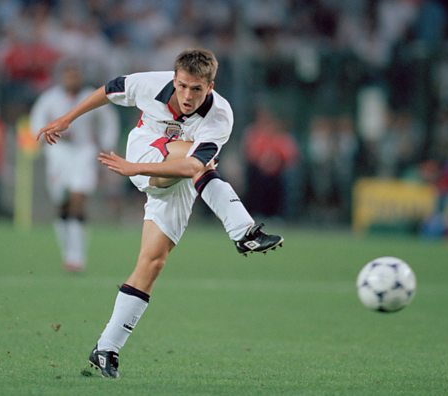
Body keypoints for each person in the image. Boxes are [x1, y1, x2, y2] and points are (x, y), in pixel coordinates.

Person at [38, 48, 283, 378]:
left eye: (196, 89)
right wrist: (68, 118)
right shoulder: (150, 84)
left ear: (210, 87)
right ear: (174, 78)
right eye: (182, 86)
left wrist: (130, 169)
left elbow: (191, 167)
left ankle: (106, 348)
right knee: (199, 160)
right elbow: (110, 90)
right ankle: (243, 231)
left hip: (177, 175)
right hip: (145, 146)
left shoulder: (220, 116)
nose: (187, 95)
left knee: (152, 262)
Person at [30, 62, 120, 272]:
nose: (72, 80)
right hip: (58, 154)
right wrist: (43, 138)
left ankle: (76, 257)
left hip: (84, 153)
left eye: (75, 76)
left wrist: (107, 144)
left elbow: (109, 121)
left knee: (78, 198)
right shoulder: (50, 98)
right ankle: (67, 250)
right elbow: (37, 120)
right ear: (62, 78)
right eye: (68, 76)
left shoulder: (91, 96)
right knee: (62, 202)